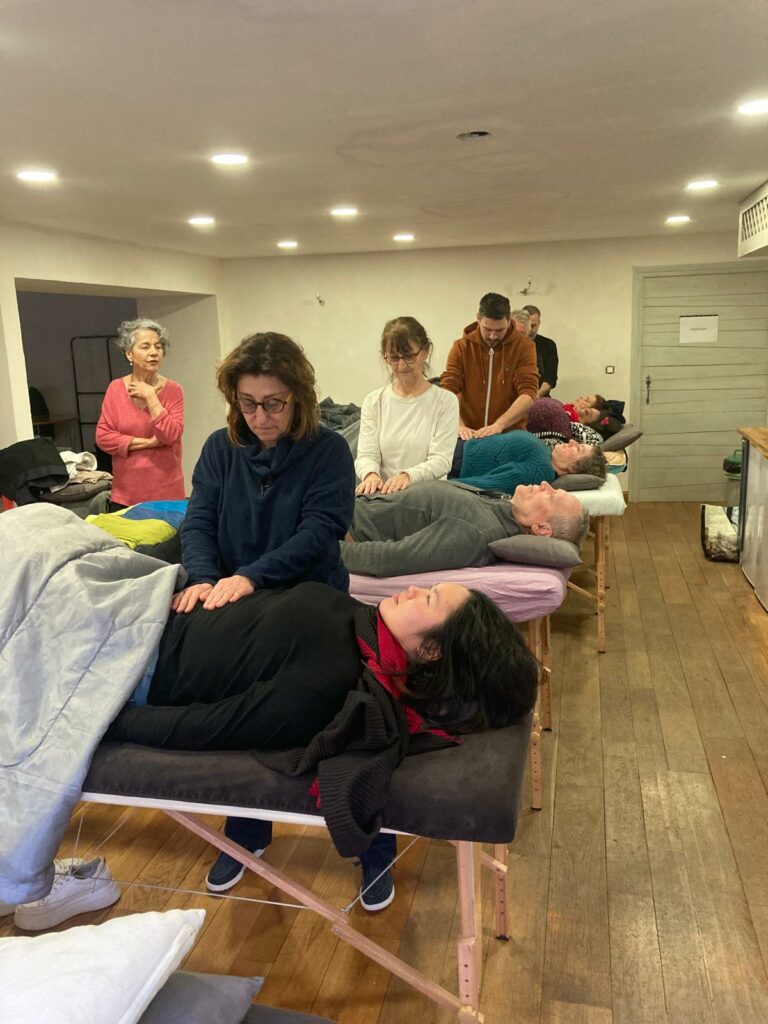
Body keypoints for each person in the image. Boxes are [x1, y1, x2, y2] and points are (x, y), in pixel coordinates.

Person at [108, 579, 539, 912]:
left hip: (132, 656)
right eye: (427, 589)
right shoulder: (361, 623)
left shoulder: (324, 685)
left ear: (430, 651)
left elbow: (207, 727)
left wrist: (107, 720)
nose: (411, 589)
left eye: (428, 599)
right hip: (154, 605)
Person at [172, 331, 356, 893]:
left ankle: (371, 842)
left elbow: (320, 531)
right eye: (247, 404)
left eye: (274, 404)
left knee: (335, 725)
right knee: (244, 722)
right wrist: (203, 579)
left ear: (299, 396)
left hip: (312, 606)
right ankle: (247, 829)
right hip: (239, 603)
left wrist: (250, 576)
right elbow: (198, 521)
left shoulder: (328, 451)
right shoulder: (218, 448)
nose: (260, 417)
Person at [342, 479, 590, 578]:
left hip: (344, 525)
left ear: (541, 529)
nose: (546, 484)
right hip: (349, 501)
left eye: (551, 495)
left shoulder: (477, 531)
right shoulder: (501, 507)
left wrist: (326, 547)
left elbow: (390, 559)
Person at [355, 317, 459, 496]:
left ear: (425, 351)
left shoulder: (446, 402)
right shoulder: (373, 401)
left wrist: (408, 477)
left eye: (409, 356)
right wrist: (371, 475)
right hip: (384, 494)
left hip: (428, 496)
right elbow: (366, 455)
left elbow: (441, 460)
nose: (402, 365)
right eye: (394, 358)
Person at [95, 318, 185, 509]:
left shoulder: (174, 390)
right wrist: (149, 443)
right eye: (145, 347)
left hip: (166, 493)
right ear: (129, 354)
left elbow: (171, 435)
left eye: (158, 347)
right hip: (125, 494)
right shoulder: (115, 388)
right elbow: (103, 437)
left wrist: (151, 397)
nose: (154, 352)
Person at [441, 292, 539, 441]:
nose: (493, 336)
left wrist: (499, 425)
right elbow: (447, 391)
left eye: (499, 330)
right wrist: (458, 425)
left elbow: (528, 393)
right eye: (487, 329)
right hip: (469, 434)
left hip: (509, 435)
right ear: (478, 319)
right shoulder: (462, 347)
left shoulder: (524, 347)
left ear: (508, 321)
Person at [457, 429, 606, 493]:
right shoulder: (546, 458)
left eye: (578, 449)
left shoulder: (538, 472)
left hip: (457, 460)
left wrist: (445, 485)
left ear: (573, 468)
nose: (572, 441)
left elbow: (487, 485)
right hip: (461, 446)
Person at [523, 305, 559, 398]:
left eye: (533, 325)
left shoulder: (548, 345)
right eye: (527, 325)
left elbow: (550, 378)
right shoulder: (510, 344)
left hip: (539, 395)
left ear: (539, 323)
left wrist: (537, 395)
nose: (530, 329)